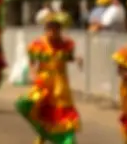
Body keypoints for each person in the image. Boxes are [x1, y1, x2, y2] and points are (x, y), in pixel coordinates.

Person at [16, 11, 83, 144]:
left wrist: (76, 59)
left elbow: (67, 57)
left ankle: (65, 139)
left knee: (61, 111)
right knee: (36, 108)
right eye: (49, 28)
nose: (52, 32)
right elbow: (32, 60)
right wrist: (33, 73)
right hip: (44, 82)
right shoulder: (39, 44)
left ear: (60, 30)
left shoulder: (67, 44)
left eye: (56, 28)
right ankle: (43, 133)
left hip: (60, 84)